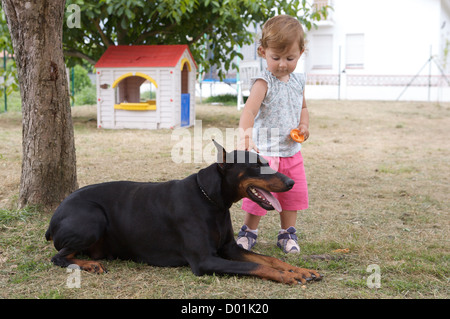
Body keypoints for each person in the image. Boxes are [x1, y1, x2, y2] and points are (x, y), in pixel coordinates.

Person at [236, 15, 309, 254]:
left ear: (301, 52)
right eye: (275, 57)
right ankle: (248, 231)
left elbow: (303, 108)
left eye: (290, 58)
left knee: (291, 196)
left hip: (291, 152)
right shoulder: (263, 82)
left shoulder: (298, 82)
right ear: (262, 51)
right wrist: (246, 137)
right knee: (260, 195)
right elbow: (249, 110)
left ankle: (287, 234)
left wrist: (304, 125)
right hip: (266, 153)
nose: (282, 64)